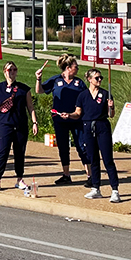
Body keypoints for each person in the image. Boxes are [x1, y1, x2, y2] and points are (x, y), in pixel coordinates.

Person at [66, 68, 120, 203]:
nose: (100, 80)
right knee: (93, 159)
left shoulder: (106, 94)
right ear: (89, 79)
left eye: (100, 78)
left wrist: (111, 107)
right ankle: (96, 187)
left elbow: (110, 115)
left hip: (102, 126)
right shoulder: (83, 96)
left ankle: (115, 190)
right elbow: (78, 113)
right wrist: (69, 115)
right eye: (97, 78)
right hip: (88, 127)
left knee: (108, 159)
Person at [36, 54, 89, 185]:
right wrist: (38, 79)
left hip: (77, 119)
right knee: (63, 147)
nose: (77, 69)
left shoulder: (79, 83)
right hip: (60, 119)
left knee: (82, 146)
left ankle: (90, 175)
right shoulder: (56, 80)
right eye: (75, 66)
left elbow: (86, 98)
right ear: (68, 68)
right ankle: (66, 174)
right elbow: (40, 91)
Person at [0, 61, 38, 192]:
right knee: (3, 151)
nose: (12, 72)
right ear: (4, 72)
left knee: (20, 152)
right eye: (9, 70)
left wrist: (34, 122)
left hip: (20, 124)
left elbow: (30, 107)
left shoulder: (24, 89)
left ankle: (19, 178)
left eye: (14, 70)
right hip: (5, 124)